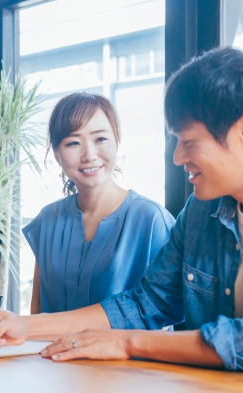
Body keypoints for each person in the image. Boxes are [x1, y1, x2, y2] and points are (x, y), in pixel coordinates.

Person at [0, 48, 243, 386]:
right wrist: (27, 327)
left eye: (188, 142)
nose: (178, 157)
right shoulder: (203, 209)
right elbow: (146, 303)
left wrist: (128, 343)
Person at [25, 92, 174, 314]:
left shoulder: (151, 220)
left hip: (131, 350)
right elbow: (37, 311)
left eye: (100, 139)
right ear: (56, 154)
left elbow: (162, 314)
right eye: (73, 142)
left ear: (117, 142)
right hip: (49, 349)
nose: (89, 155)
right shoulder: (47, 220)